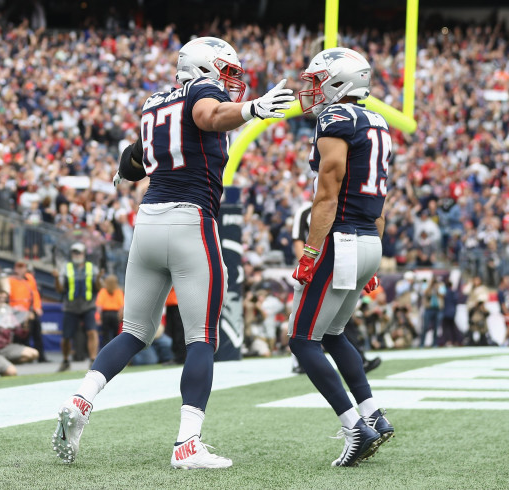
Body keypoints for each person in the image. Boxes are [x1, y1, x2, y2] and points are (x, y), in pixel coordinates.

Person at [52, 36, 294, 469]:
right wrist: (250, 109)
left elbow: (135, 160)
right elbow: (208, 115)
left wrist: (121, 171)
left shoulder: (154, 101)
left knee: (133, 330)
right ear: (204, 69)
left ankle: (81, 399)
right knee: (202, 336)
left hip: (147, 223)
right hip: (190, 221)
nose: (230, 81)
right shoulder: (203, 93)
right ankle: (187, 443)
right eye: (225, 71)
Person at [289, 47, 393, 468]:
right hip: (369, 238)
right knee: (332, 333)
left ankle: (355, 426)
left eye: (317, 81)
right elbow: (381, 199)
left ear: (339, 82)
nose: (311, 90)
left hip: (342, 239)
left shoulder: (337, 119)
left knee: (302, 339)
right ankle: (373, 414)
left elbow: (327, 190)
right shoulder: (378, 121)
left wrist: (311, 251)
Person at [291, 199, 381, 374]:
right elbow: (298, 241)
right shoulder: (305, 211)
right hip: (319, 266)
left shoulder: (341, 207)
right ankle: (300, 361)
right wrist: (306, 265)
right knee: (306, 320)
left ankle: (359, 360)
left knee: (339, 321)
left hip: (338, 264)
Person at [52, 243, 103, 372]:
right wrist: (57, 278)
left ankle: (93, 360)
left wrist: (98, 278)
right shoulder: (66, 268)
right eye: (74, 252)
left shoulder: (92, 268)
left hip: (88, 305)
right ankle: (65, 360)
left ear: (84, 254)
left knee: (92, 331)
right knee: (66, 337)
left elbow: (98, 287)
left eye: (79, 252)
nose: (77, 255)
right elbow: (59, 289)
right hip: (70, 307)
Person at [0, 289, 39, 377]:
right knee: (12, 373)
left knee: (34, 354)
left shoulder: (9, 314)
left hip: (7, 348)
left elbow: (21, 334)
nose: (1, 300)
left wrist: (26, 323)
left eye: (4, 298)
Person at [8, 261, 46, 362]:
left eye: (22, 267)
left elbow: (35, 294)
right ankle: (22, 358)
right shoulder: (10, 280)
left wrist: (37, 307)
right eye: (18, 267)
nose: (20, 270)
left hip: (29, 311)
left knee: (37, 333)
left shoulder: (29, 278)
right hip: (16, 313)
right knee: (20, 335)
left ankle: (41, 357)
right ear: (15, 269)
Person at [95, 274, 124, 349]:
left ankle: (106, 352)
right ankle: (116, 351)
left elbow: (99, 306)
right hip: (115, 315)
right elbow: (122, 306)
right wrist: (120, 316)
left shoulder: (103, 291)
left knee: (106, 336)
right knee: (116, 336)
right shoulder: (118, 291)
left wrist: (98, 317)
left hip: (106, 315)